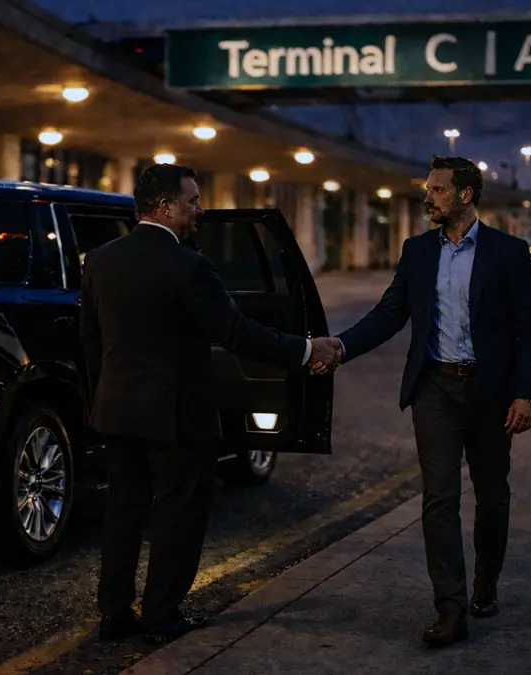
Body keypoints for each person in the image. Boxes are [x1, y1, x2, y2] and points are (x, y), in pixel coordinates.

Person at [82, 163, 341, 644]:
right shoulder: (188, 265)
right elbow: (236, 333)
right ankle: (160, 614)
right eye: (193, 201)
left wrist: (104, 398)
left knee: (123, 512)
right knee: (179, 512)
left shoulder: (100, 260)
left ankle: (114, 614)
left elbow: (92, 341)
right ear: (166, 207)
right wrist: (306, 351)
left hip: (118, 410)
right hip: (177, 416)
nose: (200, 209)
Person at [325, 156, 531, 647]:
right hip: (435, 388)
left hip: (489, 391)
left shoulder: (508, 253)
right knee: (439, 497)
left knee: (492, 494)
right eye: (428, 189)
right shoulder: (418, 250)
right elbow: (389, 314)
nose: (428, 197)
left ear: (465, 195)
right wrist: (340, 347)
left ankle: (486, 581)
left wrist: (527, 394)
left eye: (438, 190)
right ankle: (450, 608)